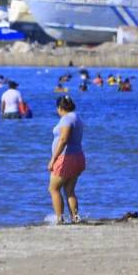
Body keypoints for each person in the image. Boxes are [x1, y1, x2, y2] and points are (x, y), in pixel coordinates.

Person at [48, 96, 85, 224]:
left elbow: (63, 139)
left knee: (53, 189)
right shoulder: (76, 117)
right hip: (77, 156)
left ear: (59, 107)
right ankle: (75, 218)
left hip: (66, 158)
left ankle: (60, 219)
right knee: (69, 190)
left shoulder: (66, 119)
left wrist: (53, 159)